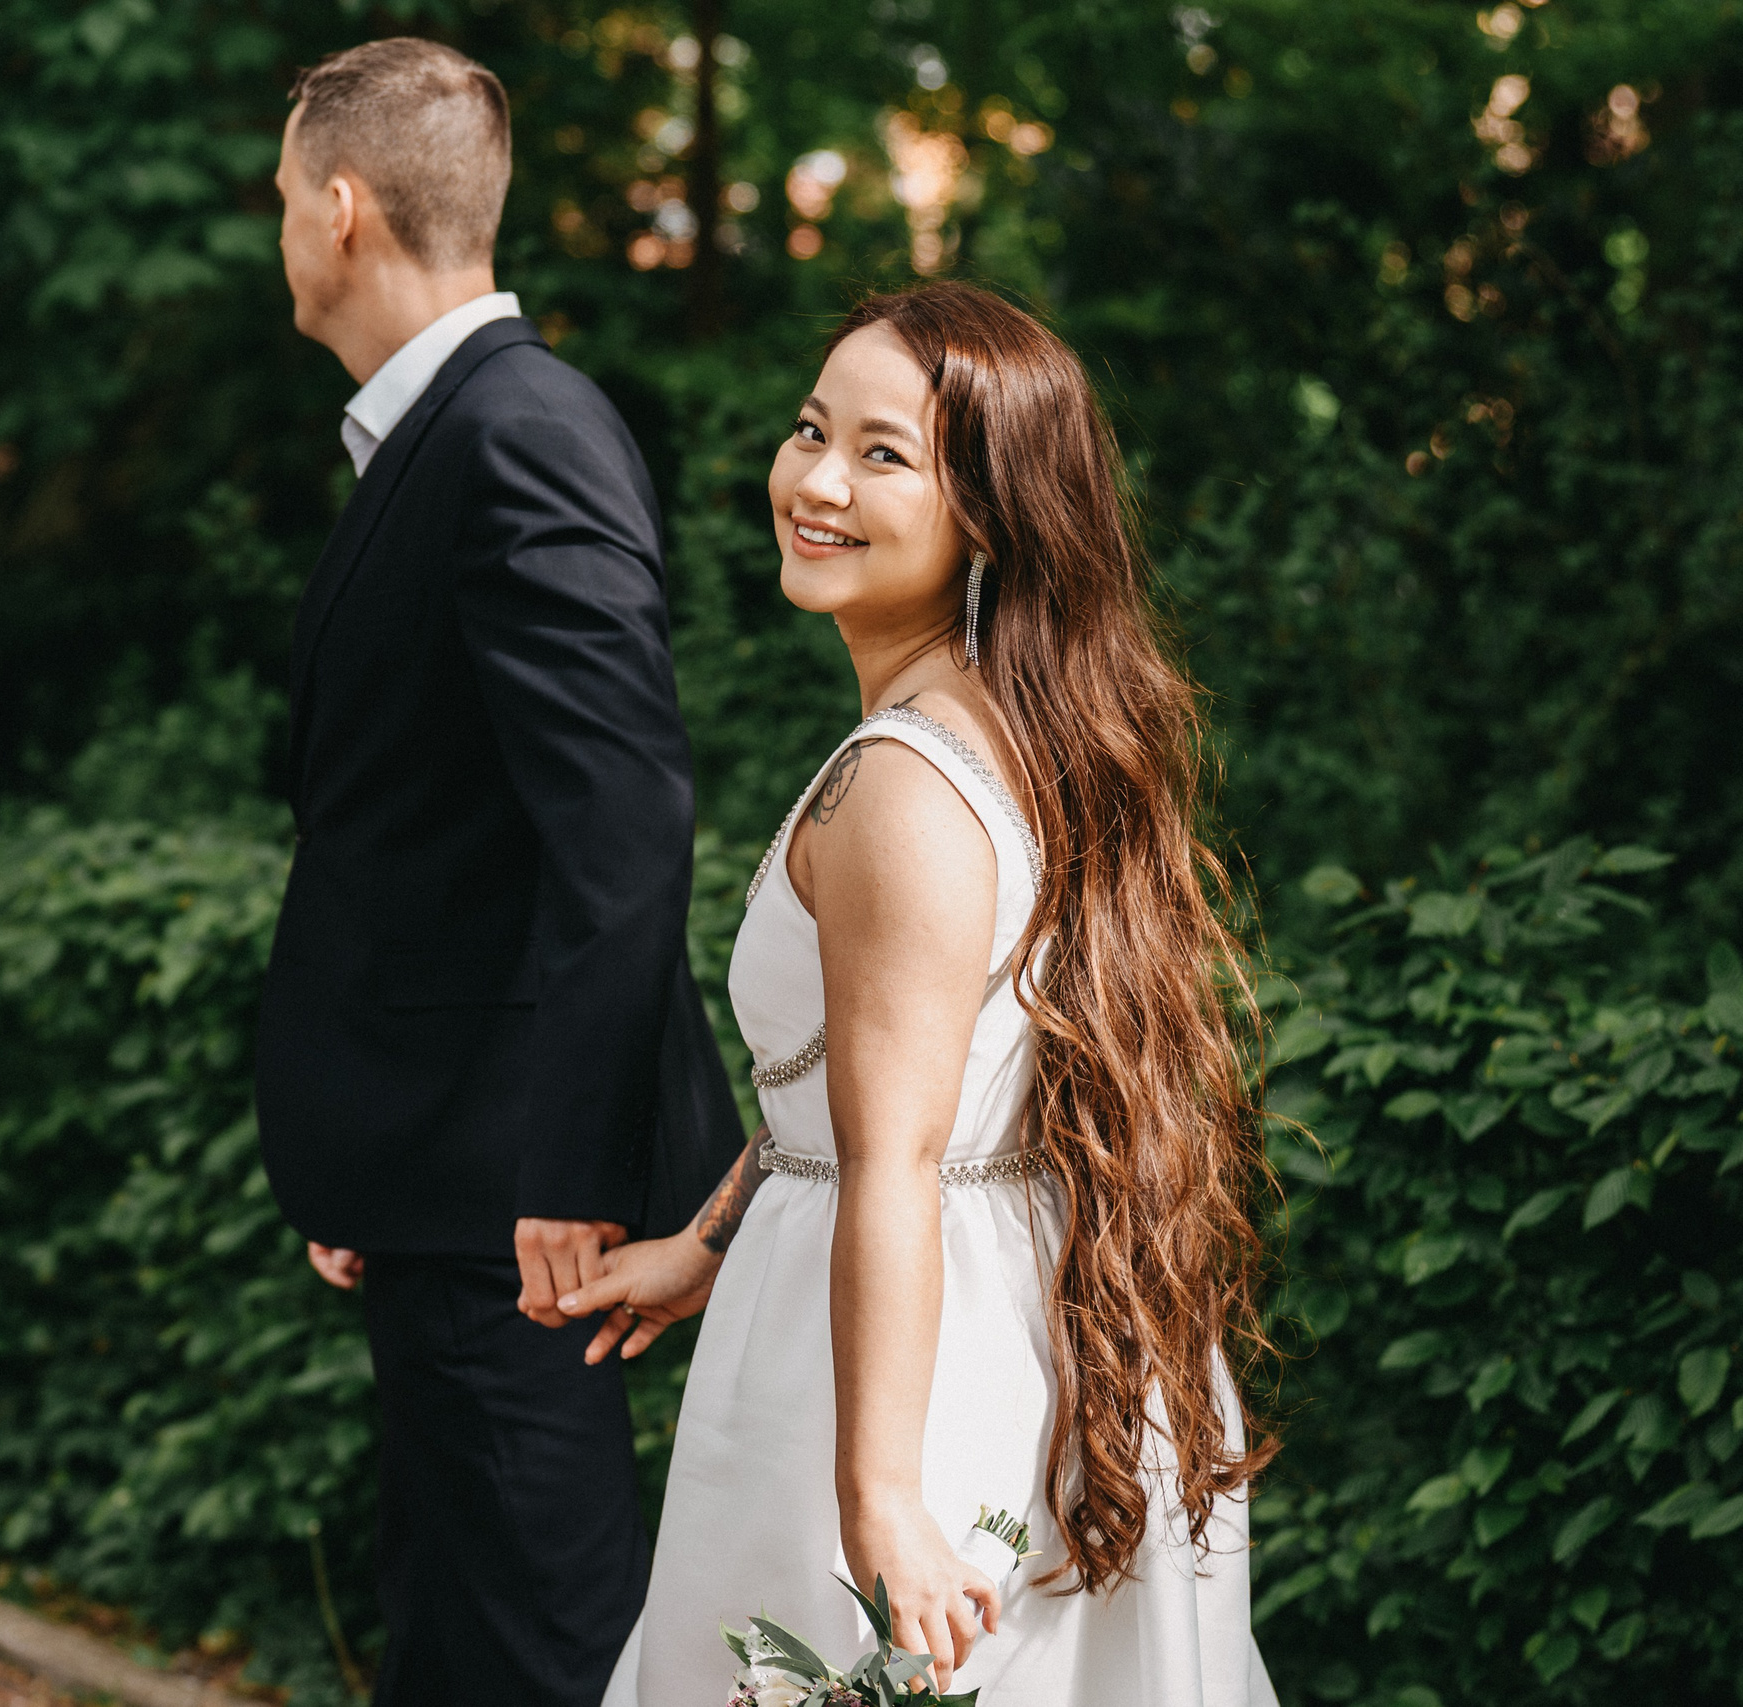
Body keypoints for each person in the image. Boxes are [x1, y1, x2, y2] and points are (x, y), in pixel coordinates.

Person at [563, 282, 1279, 1705]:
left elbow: (893, 1157)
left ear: (993, 516)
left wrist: (879, 1502)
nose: (816, 482)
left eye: (884, 456)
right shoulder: (1027, 729)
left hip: (899, 1366)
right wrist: (705, 1244)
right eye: (811, 430)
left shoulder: (903, 788)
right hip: (1000, 1305)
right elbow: (880, 1084)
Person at [251, 38, 742, 1707]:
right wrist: (368, 1165)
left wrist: (559, 1171)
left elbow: (623, 819)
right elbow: (430, 838)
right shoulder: (437, 434)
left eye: (280, 205)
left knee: (548, 1652)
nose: (280, 239)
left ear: (340, 210)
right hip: (436, 1182)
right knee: (451, 1634)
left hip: (516, 1211)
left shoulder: (519, 430)